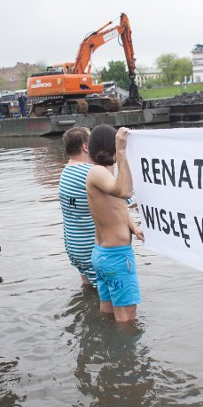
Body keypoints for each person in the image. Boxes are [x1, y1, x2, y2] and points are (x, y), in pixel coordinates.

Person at [86, 125, 144, 322]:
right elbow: (124, 192)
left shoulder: (102, 174)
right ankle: (125, 353)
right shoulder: (97, 172)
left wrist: (133, 227)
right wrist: (121, 151)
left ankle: (105, 346)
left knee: (109, 313)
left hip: (104, 256)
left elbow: (118, 206)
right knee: (126, 319)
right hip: (116, 257)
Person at [59, 127, 96, 289]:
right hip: (90, 247)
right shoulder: (89, 172)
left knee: (88, 290)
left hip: (74, 245)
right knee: (107, 296)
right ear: (85, 146)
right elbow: (124, 197)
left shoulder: (66, 171)